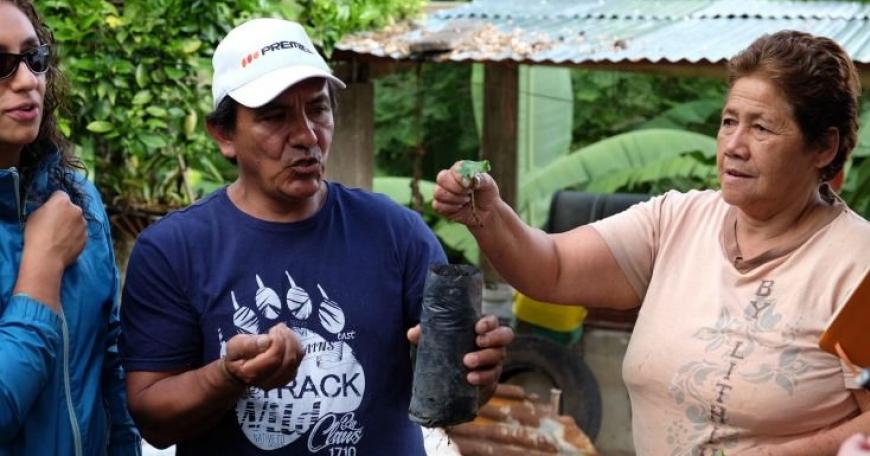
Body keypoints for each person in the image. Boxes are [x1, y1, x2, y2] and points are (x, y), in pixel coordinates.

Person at [434, 30, 870, 455]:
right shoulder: (676, 220)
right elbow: (553, 268)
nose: (734, 145)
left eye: (762, 129)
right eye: (729, 121)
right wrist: (489, 217)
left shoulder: (856, 265)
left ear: (824, 147)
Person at [119, 18, 513, 455]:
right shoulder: (174, 251)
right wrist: (229, 376)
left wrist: (478, 373)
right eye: (275, 116)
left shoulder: (395, 233)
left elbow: (454, 393)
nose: (307, 135)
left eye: (318, 109)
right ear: (224, 135)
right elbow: (152, 418)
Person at [0, 1, 141, 454]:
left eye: (33, 58)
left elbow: (109, 364)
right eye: (0, 66)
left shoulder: (76, 197)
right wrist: (41, 270)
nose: (27, 81)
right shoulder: (58, 229)